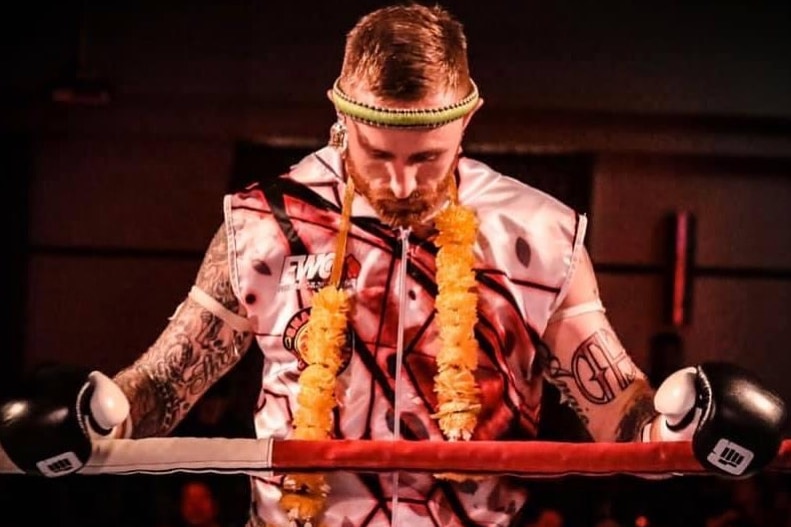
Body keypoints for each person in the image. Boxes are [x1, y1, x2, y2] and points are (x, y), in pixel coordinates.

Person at [0, 3, 786, 527]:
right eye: (380, 154)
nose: (405, 182)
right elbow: (167, 384)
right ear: (341, 118)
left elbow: (621, 420)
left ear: (468, 121)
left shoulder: (538, 233)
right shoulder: (267, 223)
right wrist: (100, 409)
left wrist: (682, 426)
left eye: (428, 156)